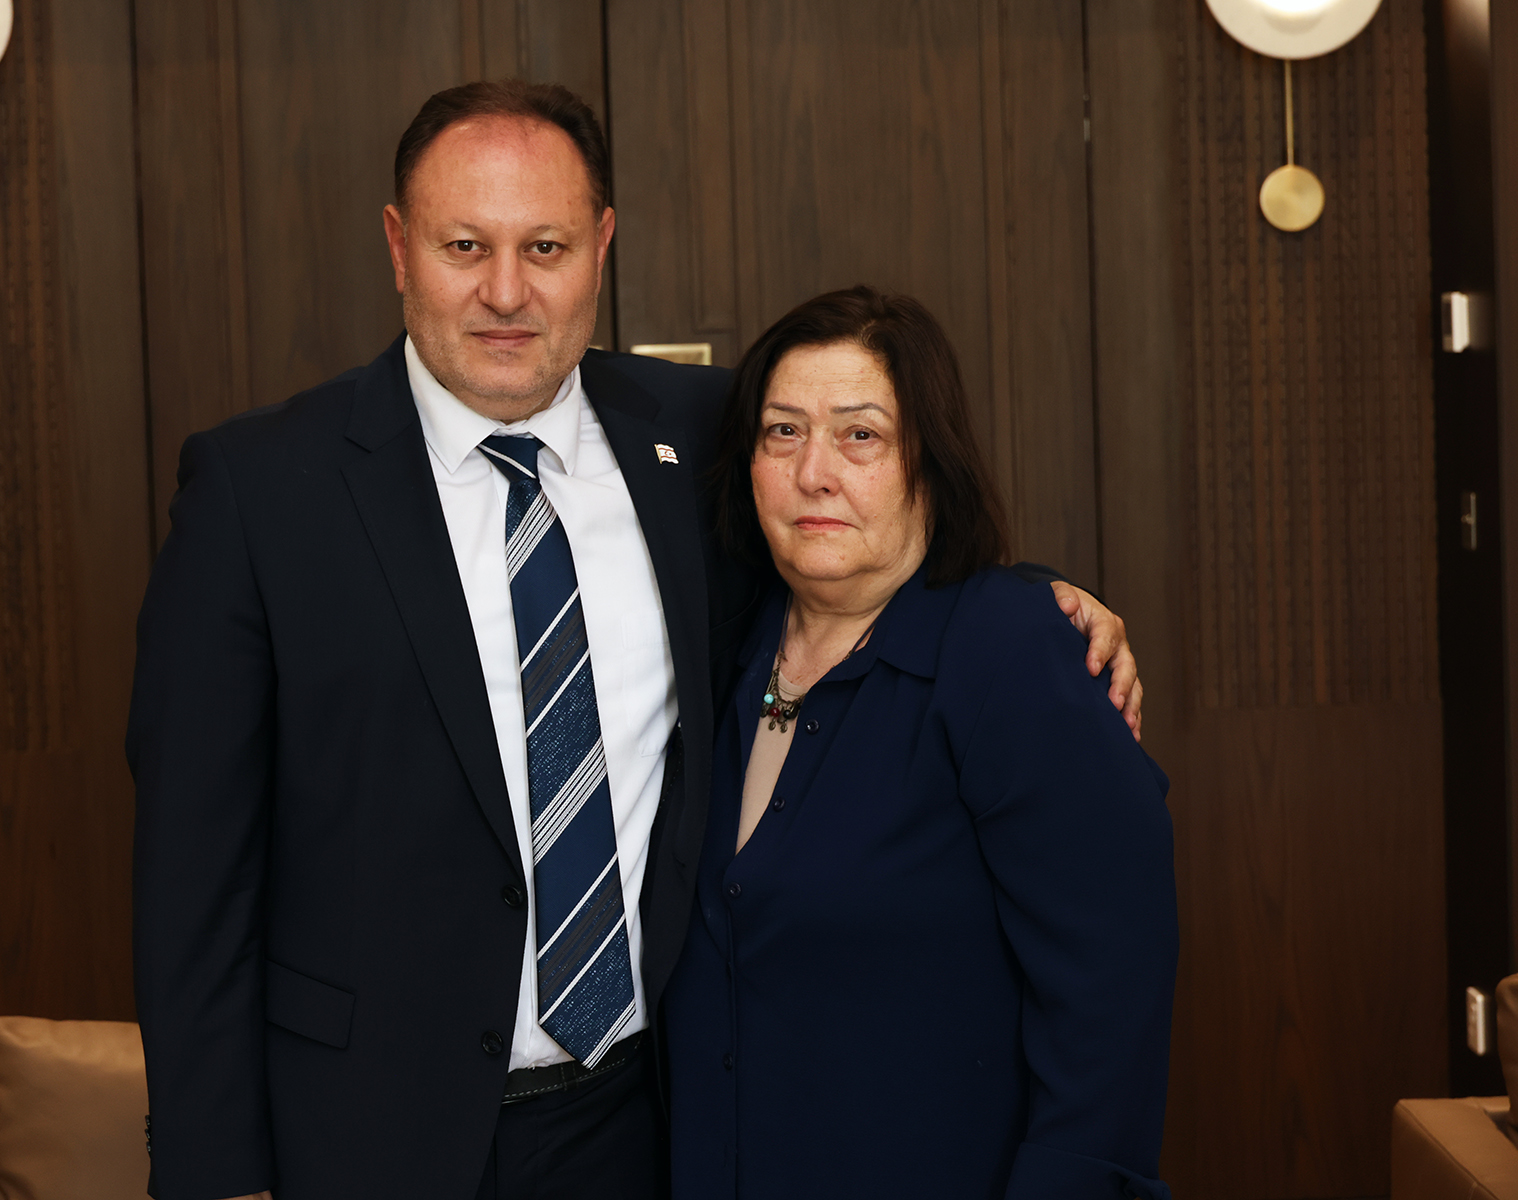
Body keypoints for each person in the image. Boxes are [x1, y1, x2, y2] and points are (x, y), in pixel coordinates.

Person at [126, 82, 1142, 1200]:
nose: (505, 291)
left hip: (646, 1126)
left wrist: (1041, 606)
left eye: (545, 246)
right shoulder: (259, 491)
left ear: (601, 248)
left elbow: (862, 531)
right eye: (465, 245)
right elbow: (192, 880)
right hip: (364, 1134)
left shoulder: (707, 434)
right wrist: (216, 1175)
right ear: (398, 246)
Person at [662, 286, 1178, 1200]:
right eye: (783, 433)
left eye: (860, 435)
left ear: (929, 465)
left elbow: (1111, 998)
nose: (814, 471)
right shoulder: (723, 647)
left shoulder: (1015, 655)